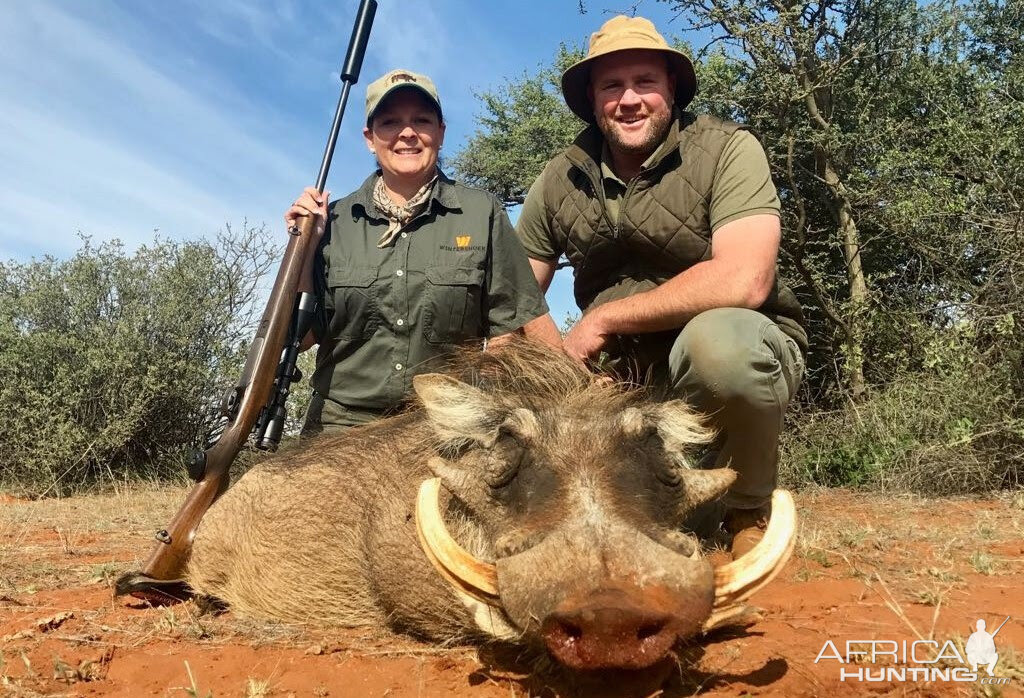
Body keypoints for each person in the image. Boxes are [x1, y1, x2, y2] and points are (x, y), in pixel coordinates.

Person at [516, 16, 808, 558]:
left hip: (715, 355)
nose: (629, 99)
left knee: (722, 348)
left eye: (644, 81)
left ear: (671, 87)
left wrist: (602, 319)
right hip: (617, 381)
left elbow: (746, 277)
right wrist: (560, 367)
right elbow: (514, 296)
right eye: (611, 85)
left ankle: (746, 510)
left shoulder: (727, 149)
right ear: (591, 98)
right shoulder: (560, 176)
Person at [288, 69, 551, 433]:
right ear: (369, 138)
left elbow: (518, 323)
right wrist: (303, 246)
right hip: (340, 431)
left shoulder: (482, 213)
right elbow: (297, 339)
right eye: (391, 121)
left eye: (421, 121)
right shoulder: (331, 222)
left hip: (445, 428)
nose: (407, 133)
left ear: (440, 132)